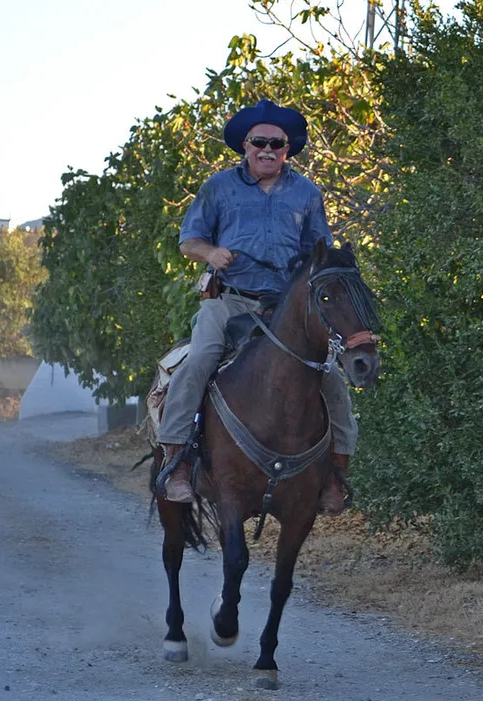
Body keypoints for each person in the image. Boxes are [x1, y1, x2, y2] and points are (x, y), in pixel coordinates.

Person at [157, 98, 358, 516]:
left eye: (277, 144)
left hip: (286, 309)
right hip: (230, 301)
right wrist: (211, 254)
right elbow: (188, 240)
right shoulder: (218, 187)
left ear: (288, 149)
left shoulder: (306, 193)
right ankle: (177, 463)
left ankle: (336, 475)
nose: (268, 150)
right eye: (259, 142)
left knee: (332, 378)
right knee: (199, 361)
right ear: (245, 146)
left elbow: (318, 251)